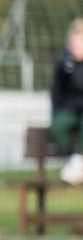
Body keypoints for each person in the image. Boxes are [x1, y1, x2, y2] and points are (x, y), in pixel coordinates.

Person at [50, 18, 83, 185]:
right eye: (74, 41)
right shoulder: (64, 64)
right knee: (57, 127)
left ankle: (76, 166)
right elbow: (56, 92)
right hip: (70, 109)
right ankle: (76, 163)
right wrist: (56, 112)